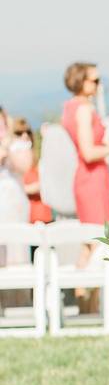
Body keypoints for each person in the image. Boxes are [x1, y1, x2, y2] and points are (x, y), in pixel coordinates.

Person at [61, 62, 109, 278]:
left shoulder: (71, 107)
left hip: (88, 176)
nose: (99, 85)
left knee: (90, 243)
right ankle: (87, 295)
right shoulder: (84, 109)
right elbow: (88, 152)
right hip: (92, 177)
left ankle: (85, 298)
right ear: (82, 82)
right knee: (98, 240)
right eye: (95, 80)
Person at [0, 108, 31, 266]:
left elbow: (25, 166)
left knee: (16, 251)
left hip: (13, 204)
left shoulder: (17, 145)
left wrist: (7, 149)